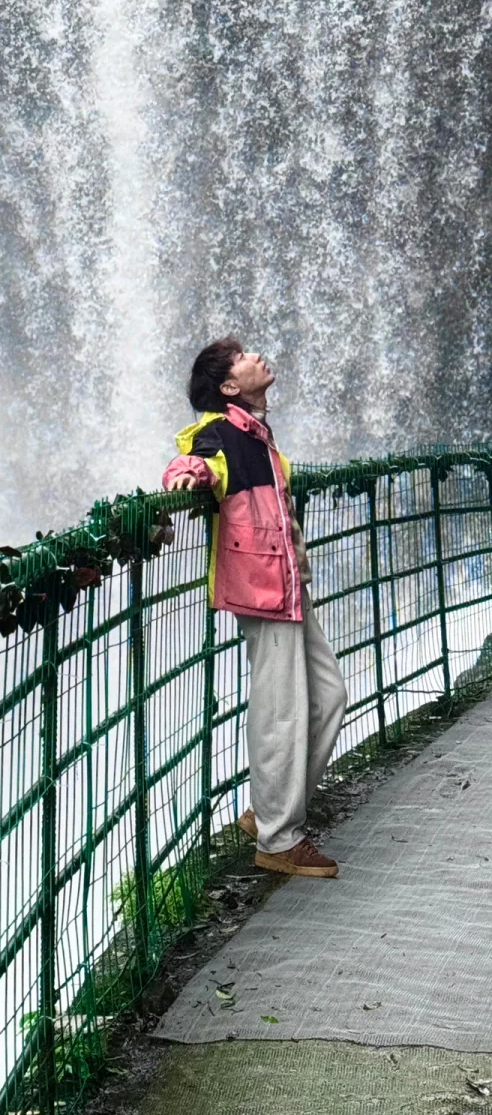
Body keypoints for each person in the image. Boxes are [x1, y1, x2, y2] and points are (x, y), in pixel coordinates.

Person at [162, 335, 347, 878]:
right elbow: (192, 466)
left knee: (329, 697)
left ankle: (267, 811)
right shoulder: (221, 435)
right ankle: (279, 837)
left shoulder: (260, 438)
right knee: (280, 711)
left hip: (288, 588)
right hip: (263, 594)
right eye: (242, 356)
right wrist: (177, 486)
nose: (256, 356)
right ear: (228, 386)